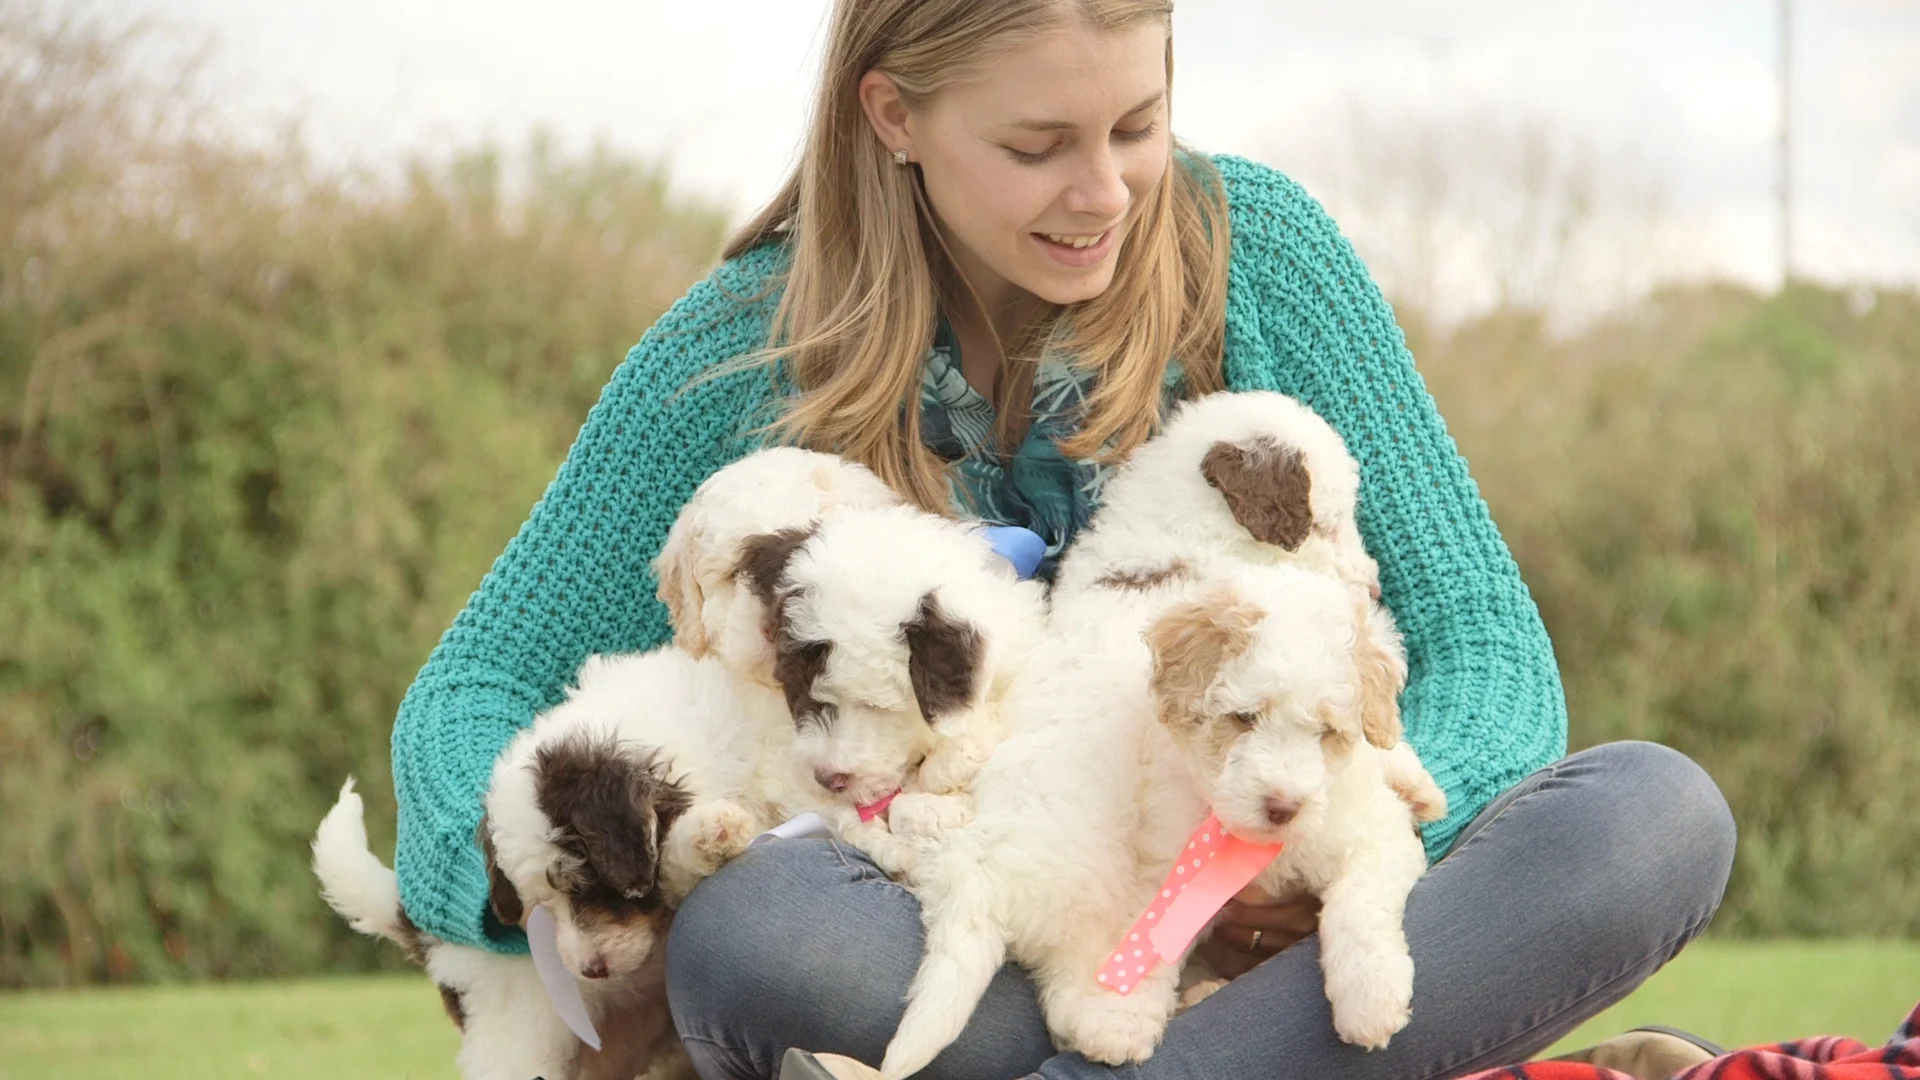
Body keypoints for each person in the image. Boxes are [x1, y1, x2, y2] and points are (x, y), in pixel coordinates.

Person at [386, 2, 1738, 1078]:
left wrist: (1293, 854)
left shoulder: (1263, 260)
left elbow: (1486, 650)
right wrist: (535, 882)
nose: (1105, 191)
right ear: (894, 114)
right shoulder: (740, 351)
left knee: (1651, 822)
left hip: (1289, 904)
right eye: (1038, 147)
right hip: (973, 932)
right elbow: (472, 695)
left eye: (1138, 126)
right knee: (759, 937)